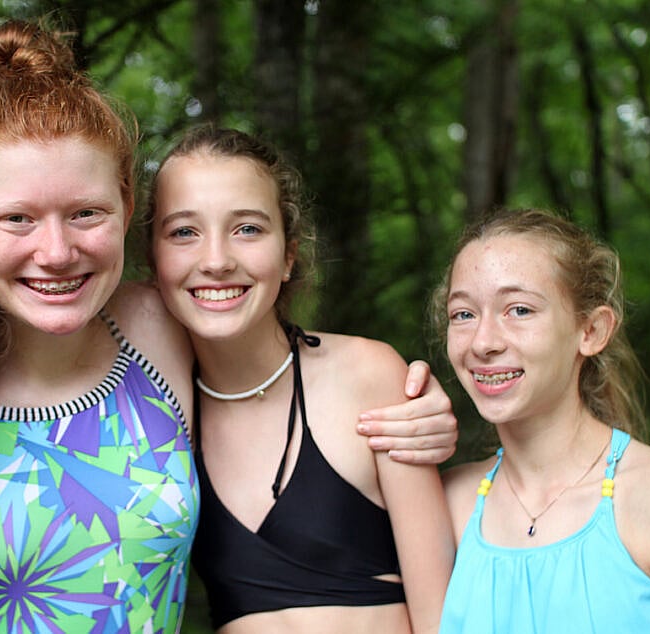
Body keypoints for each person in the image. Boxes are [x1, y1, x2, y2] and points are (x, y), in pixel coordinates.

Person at [0, 18, 458, 634]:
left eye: (86, 213)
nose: (57, 252)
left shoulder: (155, 329)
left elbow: (258, 343)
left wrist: (415, 404)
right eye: (17, 218)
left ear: (125, 210)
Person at [146, 125, 455, 633]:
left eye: (247, 228)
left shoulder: (369, 376)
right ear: (154, 260)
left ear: (289, 253)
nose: (217, 260)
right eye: (184, 232)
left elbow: (443, 615)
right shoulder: (153, 409)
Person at [435, 208, 650, 632]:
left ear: (592, 331)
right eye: (464, 315)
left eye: (520, 310)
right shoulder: (445, 504)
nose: (483, 342)